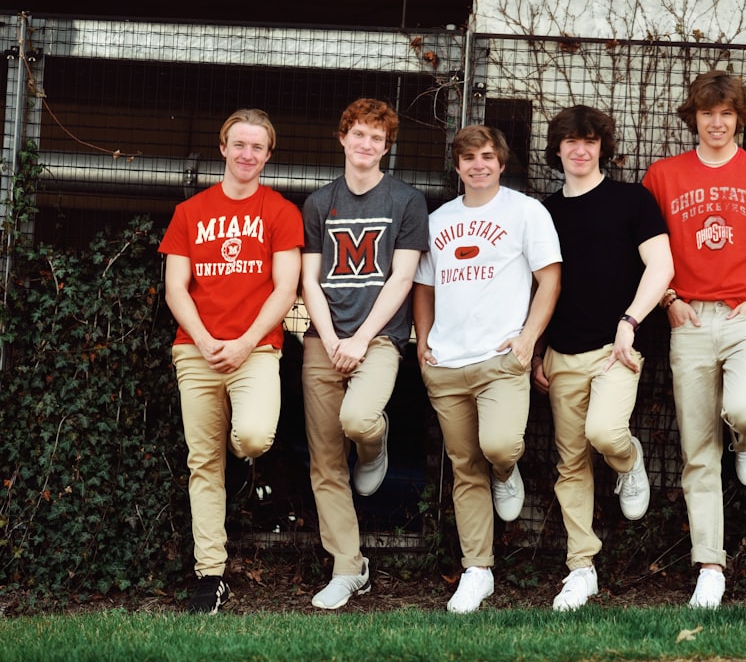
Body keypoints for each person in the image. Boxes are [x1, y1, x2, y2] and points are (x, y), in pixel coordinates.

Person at [642, 70, 746, 609]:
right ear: (693, 116)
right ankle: (710, 567)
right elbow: (647, 255)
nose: (717, 123)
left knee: (742, 409)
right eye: (707, 113)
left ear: (740, 118)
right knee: (697, 452)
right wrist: (669, 301)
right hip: (689, 321)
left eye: (727, 114)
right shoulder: (664, 176)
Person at [159, 108, 304, 614]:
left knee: (253, 438)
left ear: (268, 155)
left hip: (257, 350)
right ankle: (210, 575)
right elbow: (176, 286)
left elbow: (287, 288)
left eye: (257, 147)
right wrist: (201, 338)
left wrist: (243, 341)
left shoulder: (280, 211)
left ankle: (249, 475)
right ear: (223, 148)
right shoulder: (190, 212)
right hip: (195, 351)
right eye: (239, 144)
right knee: (204, 463)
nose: (247, 155)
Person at [412, 125, 562, 614]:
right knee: (463, 467)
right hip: (448, 363)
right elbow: (424, 286)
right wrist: (423, 342)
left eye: (486, 156)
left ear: (501, 162)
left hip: (501, 360)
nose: (478, 165)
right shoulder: (437, 221)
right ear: (457, 168)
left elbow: (549, 279)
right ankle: (478, 570)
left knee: (499, 446)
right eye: (468, 158)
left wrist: (527, 339)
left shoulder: (525, 211)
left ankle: (507, 470)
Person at [531, 105, 674, 611]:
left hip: (617, 349)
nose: (579, 149)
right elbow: (537, 287)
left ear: (601, 148)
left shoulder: (632, 200)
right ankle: (581, 569)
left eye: (589, 141)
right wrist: (534, 349)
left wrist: (630, 321)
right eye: (570, 141)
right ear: (558, 149)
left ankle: (629, 460)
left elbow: (661, 266)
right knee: (570, 466)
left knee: (605, 434)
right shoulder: (543, 213)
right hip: (562, 353)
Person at [300, 98, 430, 610]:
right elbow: (309, 279)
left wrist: (358, 340)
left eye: (377, 137)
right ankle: (349, 568)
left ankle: (375, 447)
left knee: (358, 419)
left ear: (386, 146)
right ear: (343, 138)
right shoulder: (317, 203)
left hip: (378, 339)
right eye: (359, 134)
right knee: (326, 463)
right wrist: (331, 338)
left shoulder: (406, 200)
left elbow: (402, 277)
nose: (366, 144)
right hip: (322, 341)